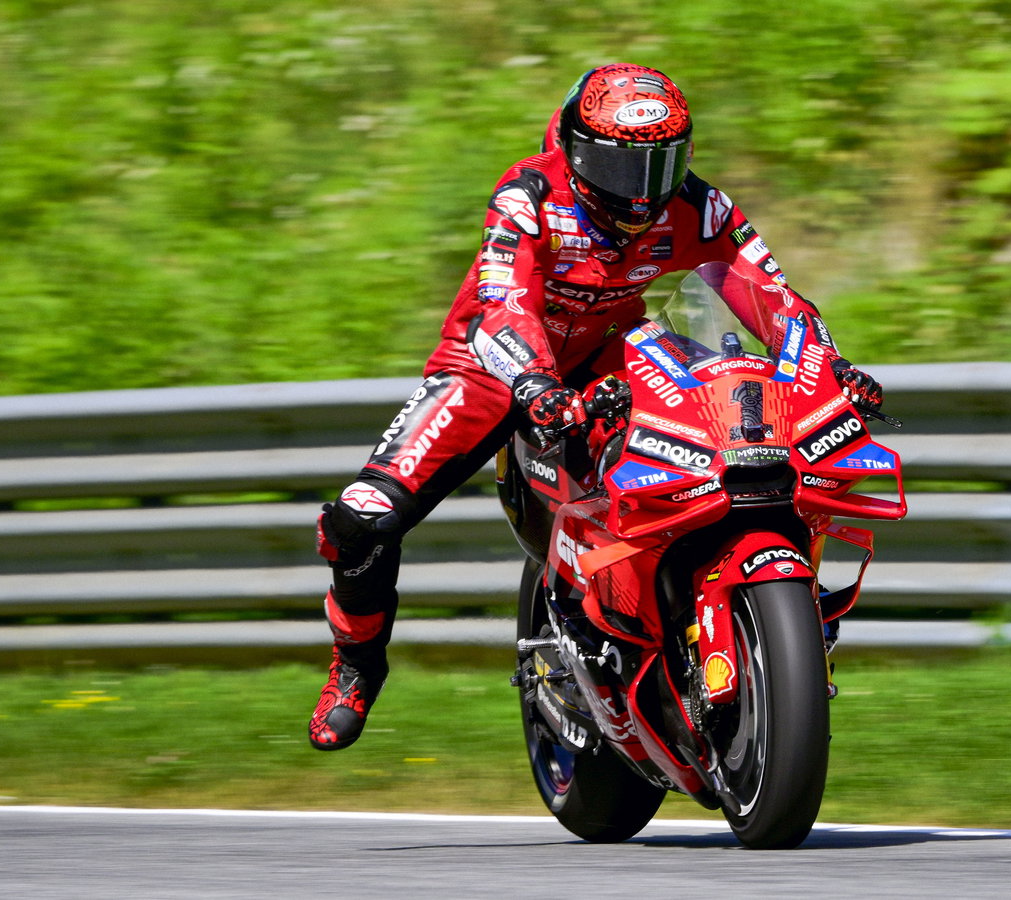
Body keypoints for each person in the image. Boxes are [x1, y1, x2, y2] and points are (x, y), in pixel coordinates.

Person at [308, 63, 884, 750]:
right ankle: (356, 666)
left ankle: (693, 622)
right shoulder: (529, 197)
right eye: (621, 167)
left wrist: (830, 365)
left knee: (733, 443)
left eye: (660, 165)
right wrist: (535, 386)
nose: (641, 192)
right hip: (492, 367)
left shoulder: (701, 208)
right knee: (361, 520)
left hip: (612, 358)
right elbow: (502, 304)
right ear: (576, 152)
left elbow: (772, 295)